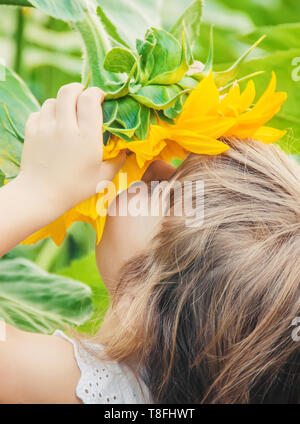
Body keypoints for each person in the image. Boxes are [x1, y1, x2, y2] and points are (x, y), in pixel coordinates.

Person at [0, 83, 299, 404]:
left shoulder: (79, 385)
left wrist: (40, 191)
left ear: (140, 304)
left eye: (163, 191)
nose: (153, 165)